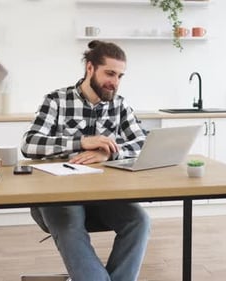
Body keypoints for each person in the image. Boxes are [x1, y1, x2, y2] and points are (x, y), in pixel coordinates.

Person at [21, 40, 150, 281]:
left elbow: (143, 143)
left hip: (102, 198)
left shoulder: (119, 105)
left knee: (139, 221)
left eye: (120, 75)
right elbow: (29, 144)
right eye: (109, 73)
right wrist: (82, 142)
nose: (115, 82)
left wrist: (110, 152)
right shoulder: (56, 100)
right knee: (70, 224)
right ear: (90, 68)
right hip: (58, 198)